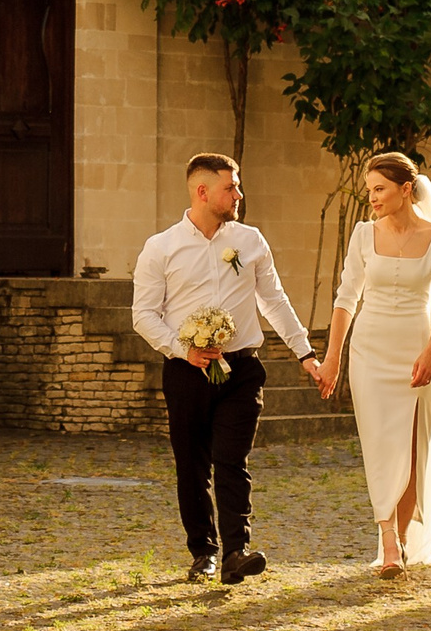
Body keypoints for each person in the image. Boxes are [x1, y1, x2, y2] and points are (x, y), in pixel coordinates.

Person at [132, 154, 326, 583]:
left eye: (237, 186)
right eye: (230, 187)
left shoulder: (250, 240)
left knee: (232, 460)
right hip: (186, 373)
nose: (238, 194)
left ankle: (236, 551)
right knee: (192, 465)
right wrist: (182, 350)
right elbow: (143, 315)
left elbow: (274, 301)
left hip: (242, 371)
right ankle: (204, 552)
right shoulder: (161, 248)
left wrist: (306, 354)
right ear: (202, 192)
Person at [316, 150, 431, 574]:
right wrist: (333, 359)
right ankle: (387, 540)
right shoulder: (363, 235)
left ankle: (400, 536)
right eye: (369, 190)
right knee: (380, 444)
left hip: (417, 350)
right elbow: (346, 298)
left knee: (415, 448)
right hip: (369, 350)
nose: (372, 198)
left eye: (379, 189)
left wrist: (430, 352)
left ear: (405, 189)